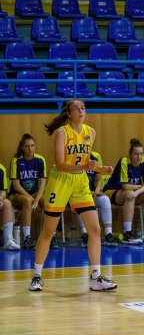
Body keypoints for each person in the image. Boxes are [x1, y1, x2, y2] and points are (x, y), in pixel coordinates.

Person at [29, 99, 117, 292]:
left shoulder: (90, 132)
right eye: (76, 108)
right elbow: (60, 164)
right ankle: (36, 276)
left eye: (83, 107)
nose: (81, 110)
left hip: (80, 182)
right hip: (60, 181)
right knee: (48, 231)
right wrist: (85, 166)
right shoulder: (62, 133)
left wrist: (101, 169)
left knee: (95, 229)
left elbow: (85, 161)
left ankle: (96, 276)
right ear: (69, 113)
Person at [104, 138, 144, 245]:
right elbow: (125, 187)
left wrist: (138, 192)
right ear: (130, 154)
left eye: (141, 154)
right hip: (113, 192)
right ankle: (127, 233)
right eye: (136, 154)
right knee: (130, 194)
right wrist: (141, 187)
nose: (139, 157)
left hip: (133, 193)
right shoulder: (124, 161)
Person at [9, 133, 47, 249]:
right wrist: (31, 200)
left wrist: (37, 200)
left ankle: (51, 235)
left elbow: (42, 184)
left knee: (49, 201)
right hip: (18, 195)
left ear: (35, 146)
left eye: (32, 145)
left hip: (35, 194)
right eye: (27, 146)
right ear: (22, 148)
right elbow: (16, 185)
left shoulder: (40, 160)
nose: (30, 148)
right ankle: (27, 237)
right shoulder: (16, 161)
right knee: (26, 200)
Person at [77, 150, 118, 247]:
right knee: (82, 202)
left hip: (92, 193)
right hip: (78, 193)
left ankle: (108, 234)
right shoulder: (76, 156)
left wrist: (97, 190)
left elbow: (99, 179)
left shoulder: (95, 156)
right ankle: (85, 235)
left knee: (105, 200)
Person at [0, 162, 20, 250]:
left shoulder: (1, 169)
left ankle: (8, 241)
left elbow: (3, 192)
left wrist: (0, 198)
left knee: (7, 203)